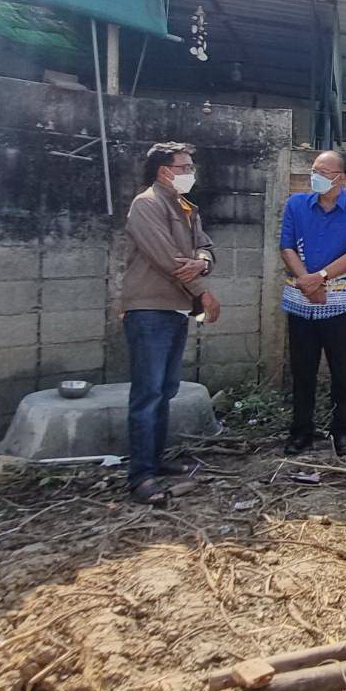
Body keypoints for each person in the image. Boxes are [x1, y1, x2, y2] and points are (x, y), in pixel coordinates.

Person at [121, 141, 221, 505]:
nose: (190, 172)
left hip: (175, 309)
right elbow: (167, 259)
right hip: (149, 309)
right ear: (165, 171)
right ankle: (141, 476)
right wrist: (203, 291)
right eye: (185, 166)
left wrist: (203, 262)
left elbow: (205, 248)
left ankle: (154, 462)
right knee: (147, 394)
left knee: (164, 391)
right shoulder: (146, 204)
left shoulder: (186, 207)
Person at [279, 150, 346, 455]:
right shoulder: (296, 205)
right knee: (302, 370)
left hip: (341, 302)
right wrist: (307, 281)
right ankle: (301, 430)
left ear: (340, 178)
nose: (315, 175)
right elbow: (287, 246)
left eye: (324, 171)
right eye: (314, 169)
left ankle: (341, 429)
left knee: (341, 370)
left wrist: (318, 277)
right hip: (300, 300)